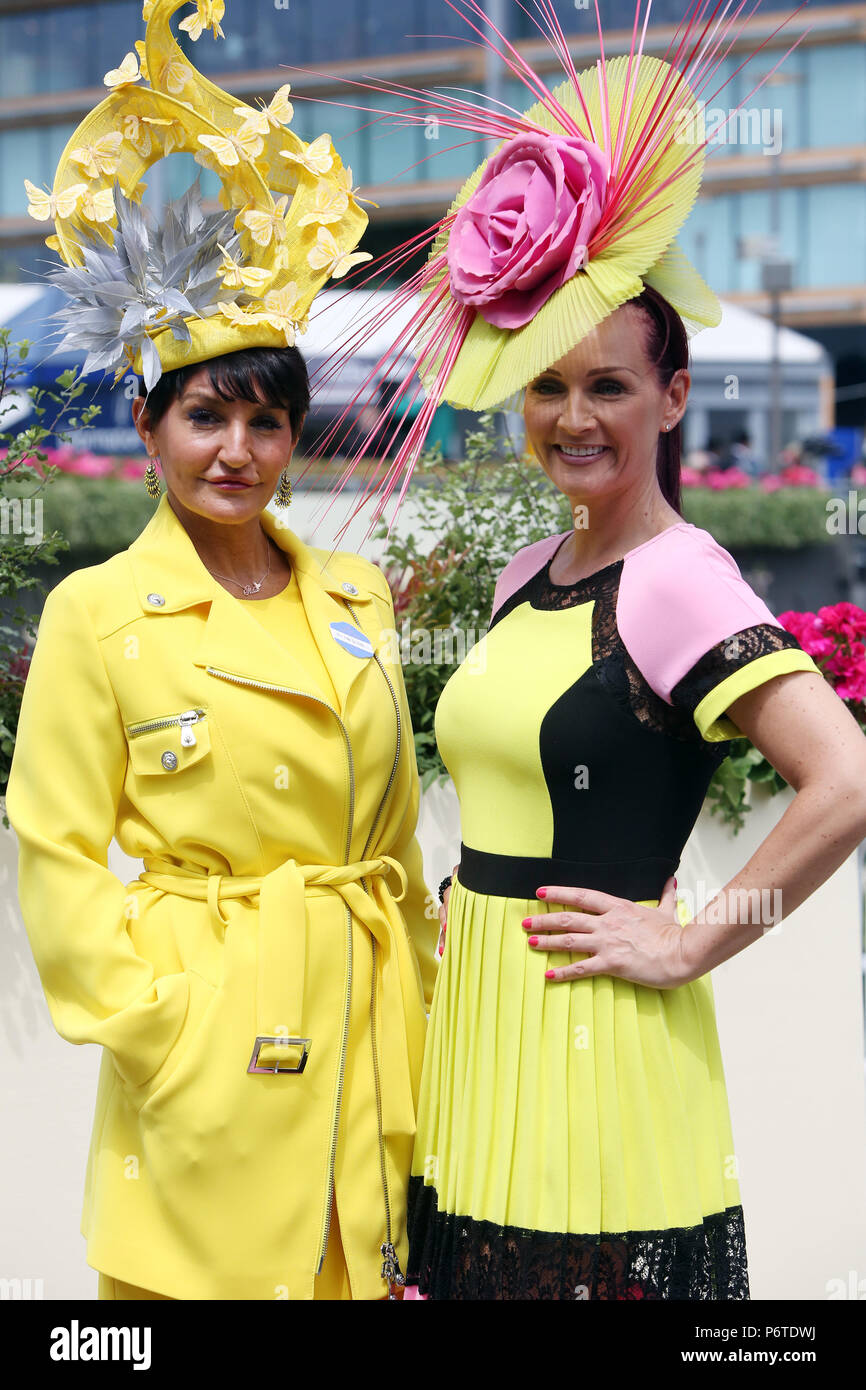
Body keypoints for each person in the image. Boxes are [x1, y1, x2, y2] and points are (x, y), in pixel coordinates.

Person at [305, 0, 866, 1298]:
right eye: (547, 385)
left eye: (607, 384)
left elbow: (842, 780)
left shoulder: (675, 578)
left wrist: (689, 940)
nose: (571, 415)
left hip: (596, 1047)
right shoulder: (528, 570)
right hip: (482, 1035)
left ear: (672, 398)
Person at [7, 0, 436, 1300]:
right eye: (205, 416)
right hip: (206, 1048)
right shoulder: (98, 611)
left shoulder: (355, 591)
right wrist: (161, 1026)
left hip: (367, 1034)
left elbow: (400, 831)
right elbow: (57, 847)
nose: (236, 450)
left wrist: (421, 987)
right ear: (148, 430)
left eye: (264, 420)